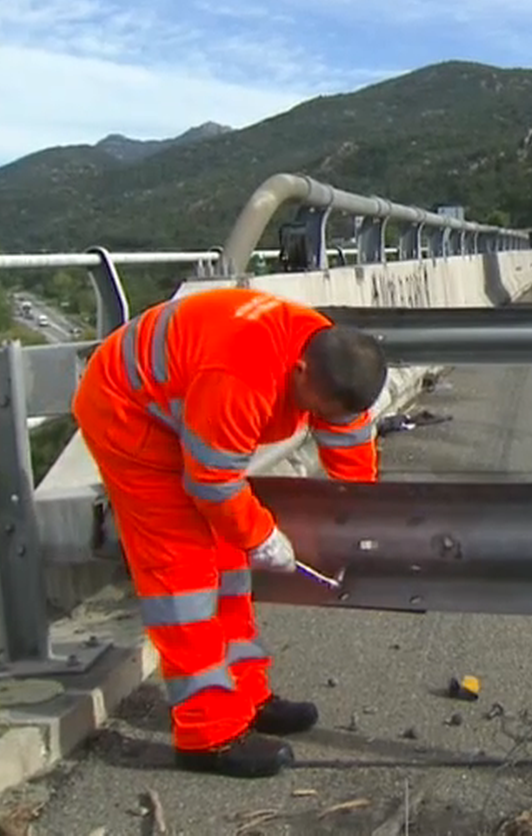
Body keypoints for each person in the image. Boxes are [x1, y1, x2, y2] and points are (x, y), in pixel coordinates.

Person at [71, 287, 388, 778]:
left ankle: (245, 694)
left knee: (229, 561)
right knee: (184, 574)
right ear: (299, 372)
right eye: (314, 408)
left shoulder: (331, 357)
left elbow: (345, 435)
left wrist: (361, 519)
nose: (318, 420)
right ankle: (208, 734)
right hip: (130, 416)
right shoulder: (243, 374)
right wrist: (263, 534)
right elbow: (213, 484)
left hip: (188, 408)